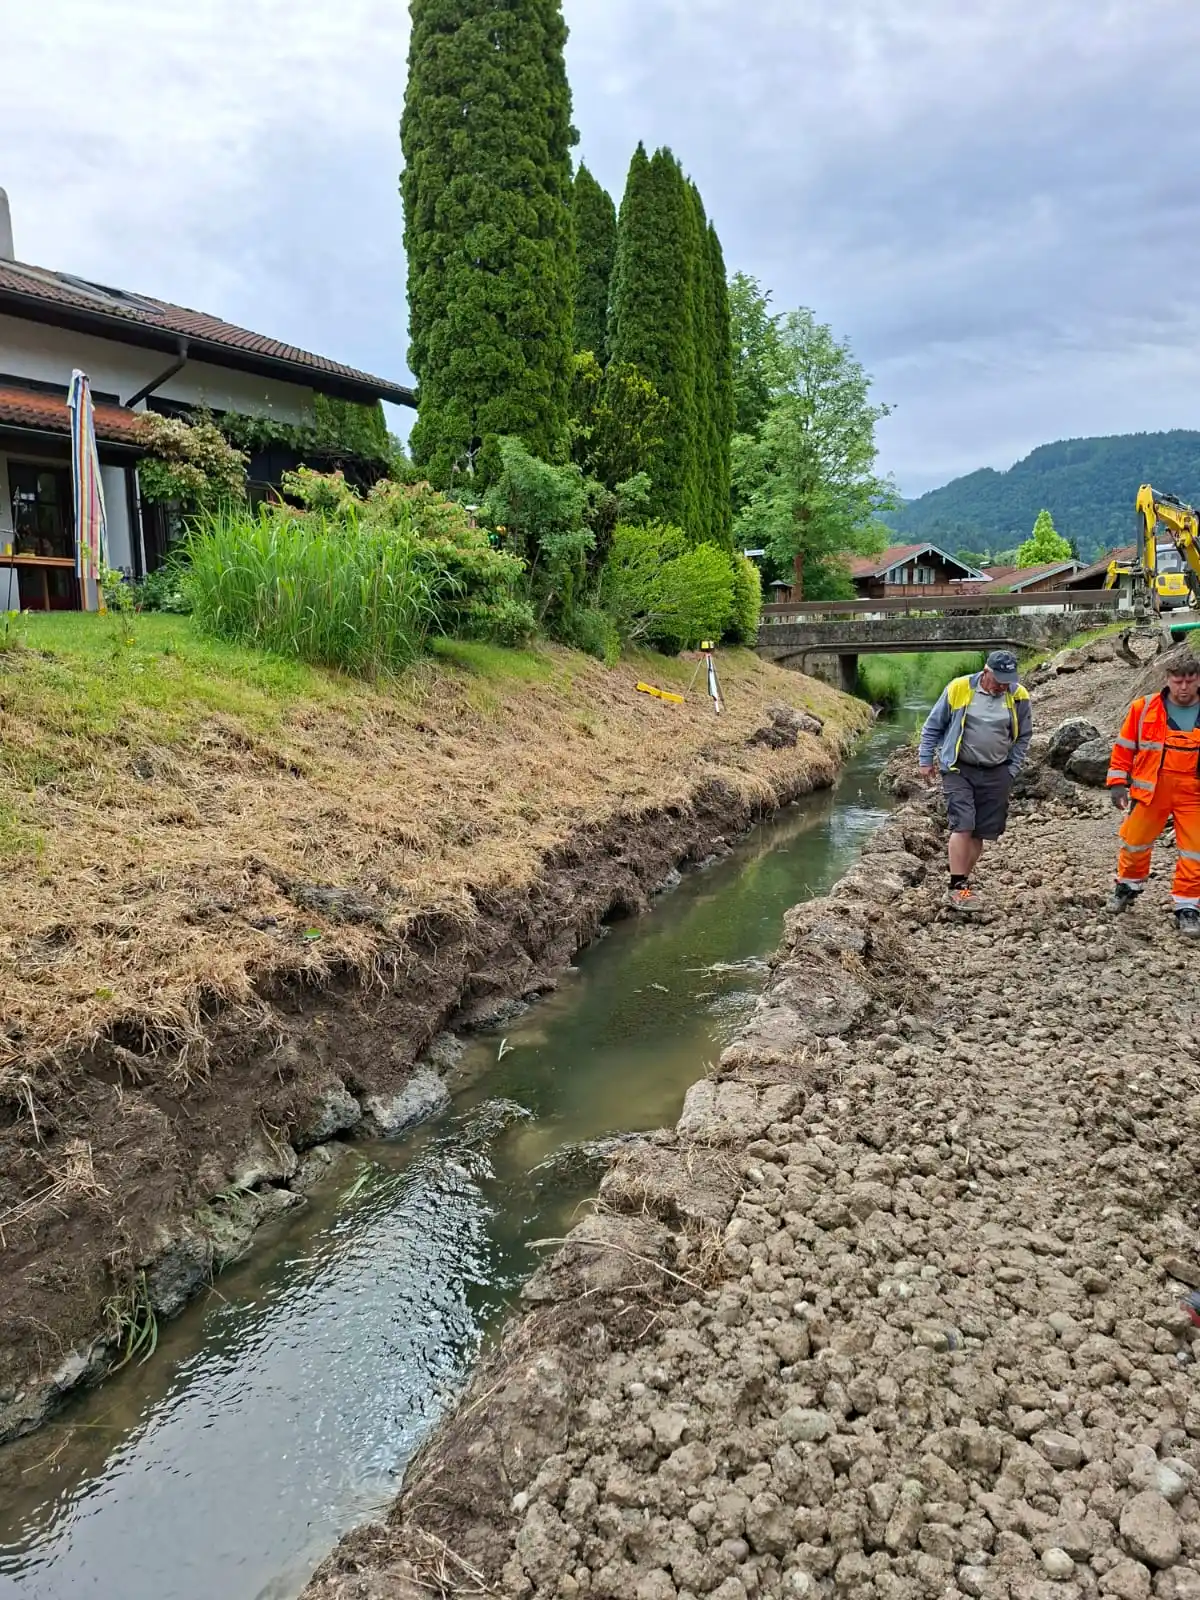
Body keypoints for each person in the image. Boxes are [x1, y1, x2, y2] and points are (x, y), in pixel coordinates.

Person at [918, 649, 1032, 912]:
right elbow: (933, 726)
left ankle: (960, 885)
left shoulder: (1018, 695)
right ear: (986, 671)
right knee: (963, 824)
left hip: (996, 771)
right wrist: (925, 760)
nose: (1003, 685)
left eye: (1008, 679)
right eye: (999, 679)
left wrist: (1011, 770)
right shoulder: (959, 688)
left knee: (981, 830)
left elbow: (1024, 736)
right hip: (960, 768)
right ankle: (958, 888)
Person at [1106, 644, 1200, 937]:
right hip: (1151, 791)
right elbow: (1124, 748)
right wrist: (1117, 782)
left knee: (1195, 852)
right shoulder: (1144, 708)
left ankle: (1188, 907)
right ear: (1167, 679)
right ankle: (1127, 886)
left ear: (1198, 679)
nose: (1183, 686)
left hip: (1194, 795)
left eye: (1189, 680)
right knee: (1134, 843)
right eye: (1177, 680)